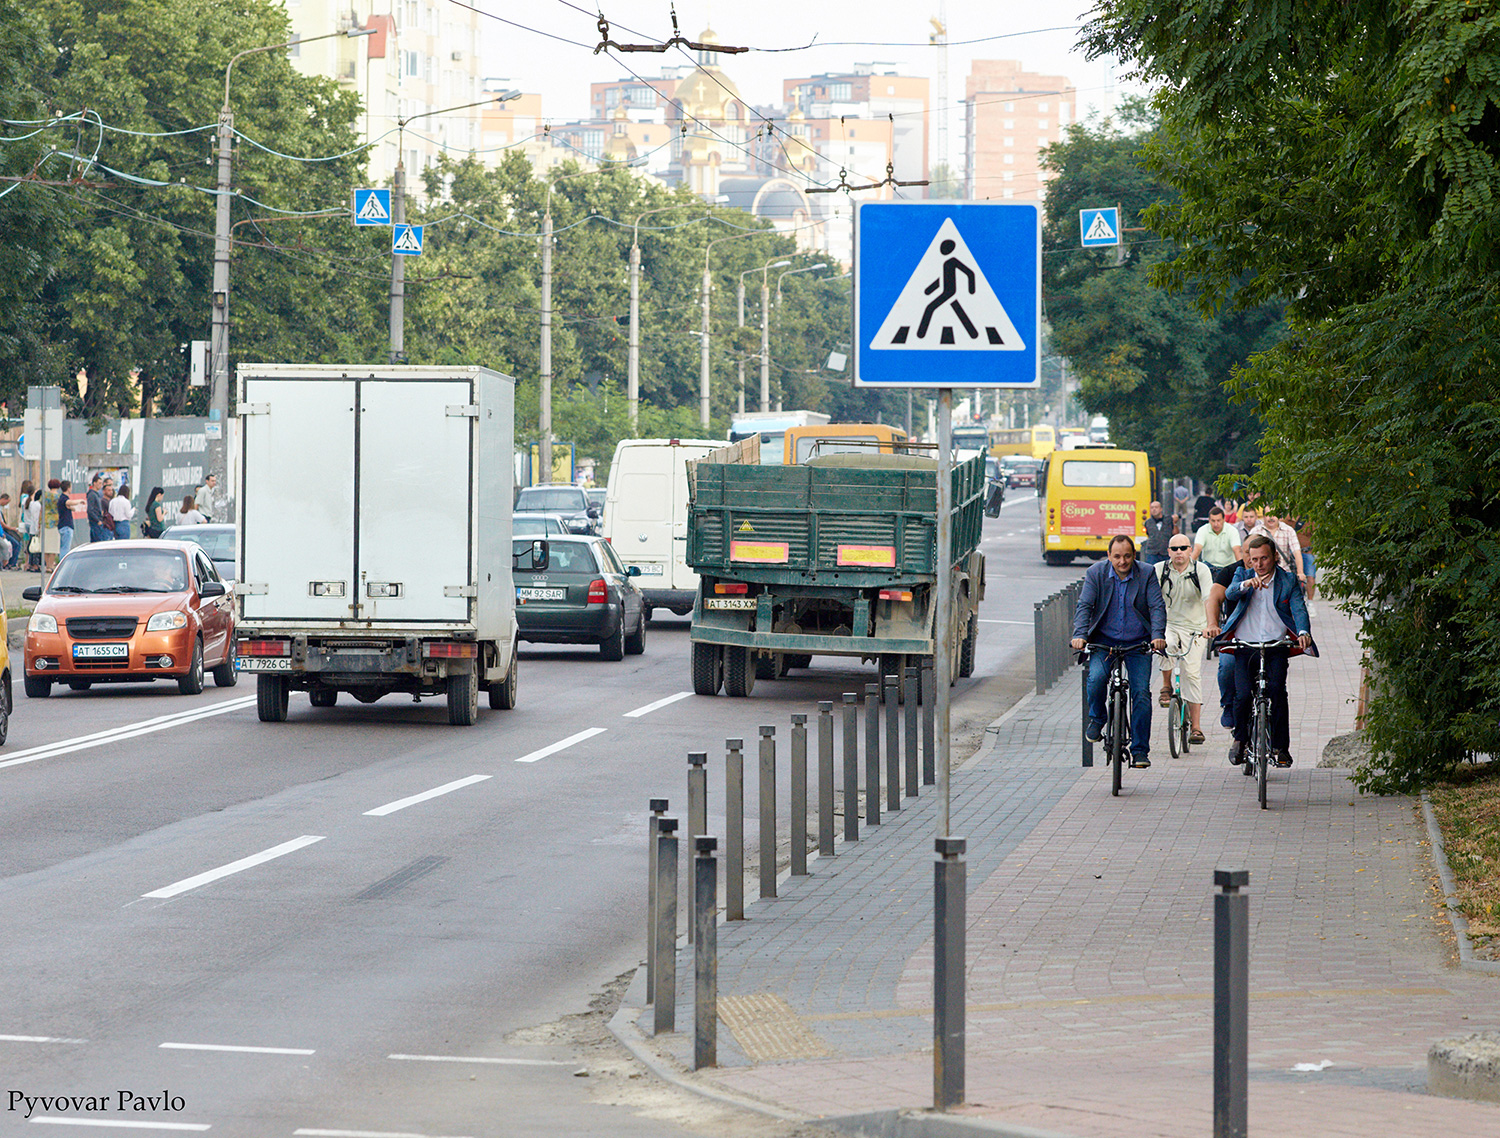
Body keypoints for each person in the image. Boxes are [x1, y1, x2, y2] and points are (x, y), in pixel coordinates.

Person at [1214, 535, 1317, 768]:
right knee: (1241, 696)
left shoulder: (1288, 580)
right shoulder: (1243, 574)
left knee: (1278, 692)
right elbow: (1229, 594)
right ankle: (1240, 740)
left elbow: (1299, 609)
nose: (1259, 564)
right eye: (1254, 560)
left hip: (1275, 645)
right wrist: (1246, 585)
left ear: (1275, 558)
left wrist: (1302, 631)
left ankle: (1281, 748)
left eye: (1264, 559)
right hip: (1245, 645)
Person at [1070, 535, 1168, 768]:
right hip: (1105, 642)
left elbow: (1156, 606)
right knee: (1095, 679)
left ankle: (1140, 750)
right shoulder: (1096, 573)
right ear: (1109, 556)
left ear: (1134, 555)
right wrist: (1080, 634)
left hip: (1137, 644)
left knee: (1141, 693)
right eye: (1117, 556)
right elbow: (1085, 605)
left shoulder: (1146, 573)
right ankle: (1097, 719)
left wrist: (1158, 635)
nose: (1122, 561)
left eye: (1127, 556)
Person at [1155, 534, 1213, 744]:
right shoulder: (1159, 570)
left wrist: (1210, 625)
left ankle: (1196, 727)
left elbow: (1209, 598)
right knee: (1165, 644)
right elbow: (1151, 600)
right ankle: (1166, 685)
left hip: (1195, 628)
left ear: (1190, 550)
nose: (1179, 552)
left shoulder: (1201, 570)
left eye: (1183, 548)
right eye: (1174, 548)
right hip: (1168, 624)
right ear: (1168, 552)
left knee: (1191, 672)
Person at [1249, 511, 1307, 590]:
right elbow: (1248, 554)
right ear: (1263, 516)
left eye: (1274, 514)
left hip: (1283, 574)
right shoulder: (1255, 531)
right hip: (1261, 577)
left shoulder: (1288, 530)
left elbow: (1296, 552)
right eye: (1268, 515)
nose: (1271, 518)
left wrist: (1300, 572)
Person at [1193, 506, 1242, 571]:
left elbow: (1237, 551)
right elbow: (1197, 550)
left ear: (1224, 519)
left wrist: (1242, 570)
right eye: (1213, 521)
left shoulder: (1232, 530)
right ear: (1209, 520)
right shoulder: (1202, 530)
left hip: (1227, 567)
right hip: (1208, 567)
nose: (1216, 524)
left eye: (1218, 520)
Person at [1141, 500, 1174, 565]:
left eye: (1156, 507)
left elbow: (1173, 531)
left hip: (1165, 552)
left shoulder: (1168, 520)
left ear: (1161, 509)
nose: (1154, 509)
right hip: (1152, 552)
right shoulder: (1148, 522)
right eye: (1152, 508)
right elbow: (1148, 534)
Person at [86, 473, 111, 543]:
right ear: (94, 483)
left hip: (99, 521)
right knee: (97, 542)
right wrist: (97, 520)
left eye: (101, 483)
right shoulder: (92, 495)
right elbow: (90, 510)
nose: (101, 485)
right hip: (95, 523)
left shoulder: (97, 494)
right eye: (99, 483)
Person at [0, 493, 21, 569]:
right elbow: (1, 523)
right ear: (3, 499)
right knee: (15, 543)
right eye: (7, 502)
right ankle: (10, 563)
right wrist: (11, 528)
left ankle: (11, 562)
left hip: (3, 530)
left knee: (18, 541)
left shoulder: (1, 508)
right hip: (3, 531)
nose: (6, 504)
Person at [55, 479, 74, 562]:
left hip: (63, 525)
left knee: (64, 547)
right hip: (66, 526)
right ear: (68, 488)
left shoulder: (62, 498)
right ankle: (63, 563)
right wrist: (80, 501)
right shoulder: (64, 498)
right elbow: (69, 503)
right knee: (65, 548)